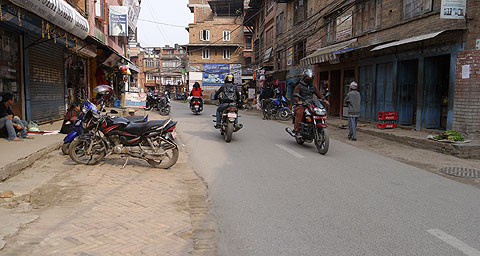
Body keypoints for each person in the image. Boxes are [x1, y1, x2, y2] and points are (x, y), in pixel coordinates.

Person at [292, 69, 329, 137]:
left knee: (318, 112)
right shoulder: (299, 86)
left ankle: (317, 127)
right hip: (302, 104)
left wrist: (324, 100)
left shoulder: (313, 86)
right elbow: (295, 95)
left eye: (311, 78)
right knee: (300, 112)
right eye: (307, 78)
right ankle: (296, 130)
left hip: (311, 103)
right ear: (304, 77)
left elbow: (319, 94)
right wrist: (298, 101)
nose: (309, 79)